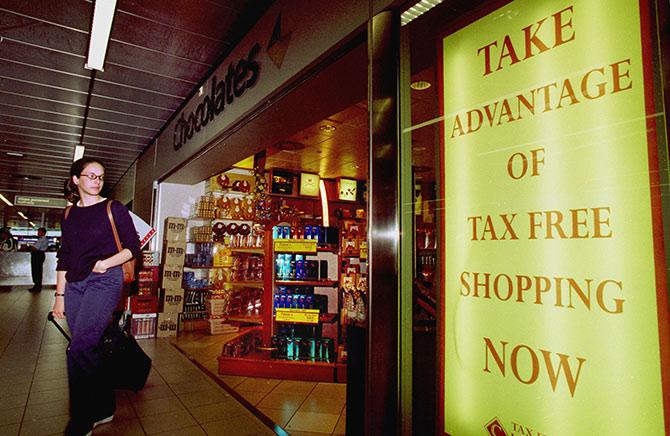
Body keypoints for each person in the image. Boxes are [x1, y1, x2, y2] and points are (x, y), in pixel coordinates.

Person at [52, 157, 140, 436]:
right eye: (90, 176)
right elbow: (64, 257)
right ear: (76, 180)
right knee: (88, 347)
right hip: (76, 285)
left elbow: (133, 248)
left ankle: (81, 419)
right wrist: (59, 296)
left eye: (100, 176)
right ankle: (103, 407)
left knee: (78, 348)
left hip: (105, 281)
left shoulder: (113, 209)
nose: (96, 181)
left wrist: (106, 263)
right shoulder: (68, 214)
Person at [29, 227, 48, 292]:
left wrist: (30, 247)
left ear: (43, 232)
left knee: (36, 271)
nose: (38, 233)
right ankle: (37, 285)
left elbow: (35, 248)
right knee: (37, 271)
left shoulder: (42, 239)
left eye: (39, 232)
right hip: (39, 255)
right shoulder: (42, 239)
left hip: (38, 256)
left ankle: (37, 286)